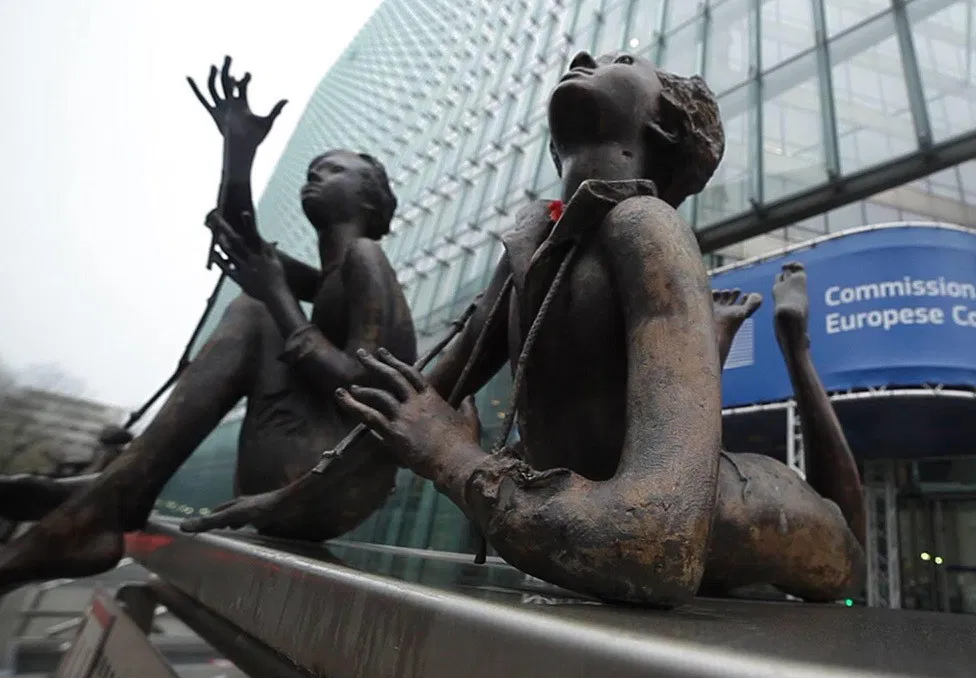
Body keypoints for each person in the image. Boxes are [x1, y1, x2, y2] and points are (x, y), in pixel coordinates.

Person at [187, 52, 866, 607]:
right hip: (618, 513)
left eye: (623, 61)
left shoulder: (646, 226)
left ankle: (794, 344)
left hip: (745, 508)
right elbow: (404, 413)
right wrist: (279, 502)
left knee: (849, 552)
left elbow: (658, 545)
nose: (585, 57)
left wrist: (451, 457)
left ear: (661, 125)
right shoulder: (533, 248)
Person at [0, 58, 415, 594]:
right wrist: (238, 153)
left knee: (257, 307)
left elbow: (370, 388)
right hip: (293, 471)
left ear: (369, 198)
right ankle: (117, 490)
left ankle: (110, 499)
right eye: (314, 169)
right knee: (258, 303)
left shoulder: (365, 258)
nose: (315, 175)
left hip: (324, 481)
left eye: (334, 170)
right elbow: (240, 239)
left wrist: (278, 295)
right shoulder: (332, 274)